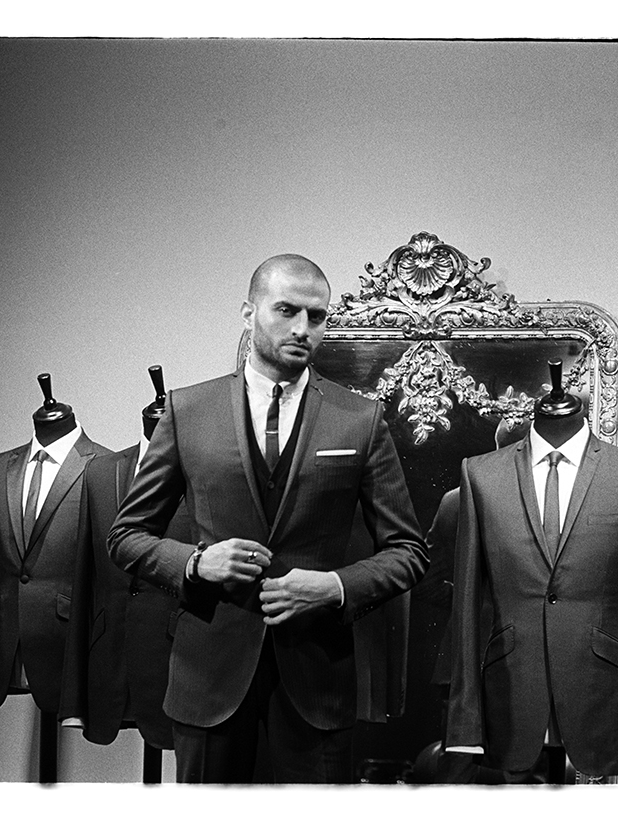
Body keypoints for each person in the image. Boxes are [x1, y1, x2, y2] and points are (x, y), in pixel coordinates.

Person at [108, 254, 429, 783]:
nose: (303, 328)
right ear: (248, 312)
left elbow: (409, 552)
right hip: (209, 681)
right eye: (286, 310)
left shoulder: (359, 419)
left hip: (317, 684)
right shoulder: (189, 411)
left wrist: (335, 587)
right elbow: (125, 536)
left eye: (317, 316)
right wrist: (195, 564)